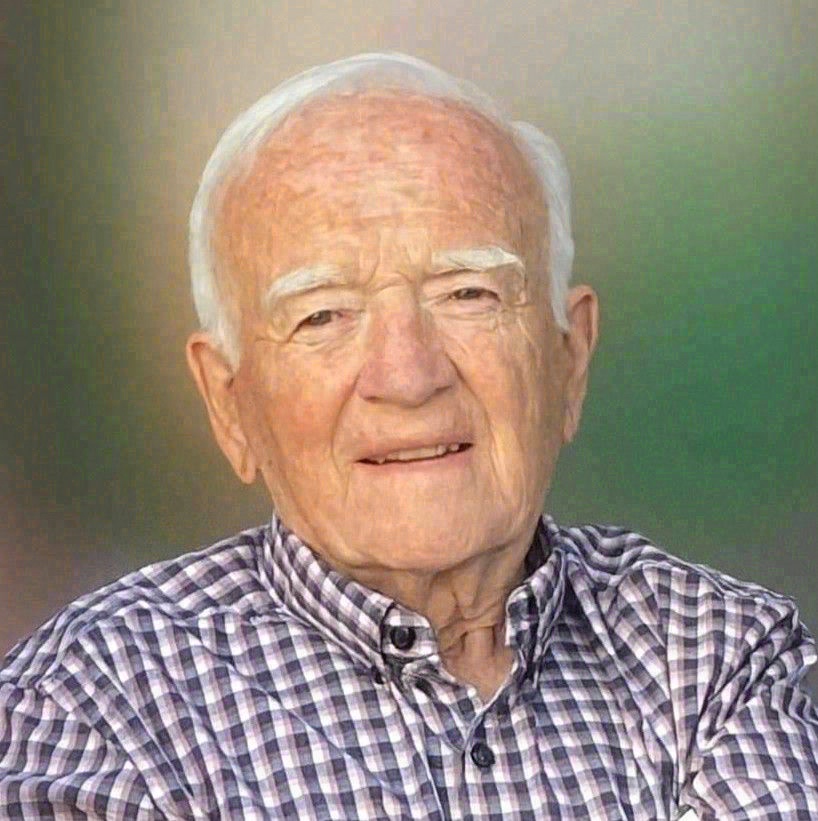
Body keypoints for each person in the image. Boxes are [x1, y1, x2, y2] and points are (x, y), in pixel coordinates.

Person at [1, 52, 816, 820]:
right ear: (228, 403)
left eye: (469, 293)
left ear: (568, 361)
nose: (408, 374)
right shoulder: (94, 709)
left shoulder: (712, 657)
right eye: (323, 314)